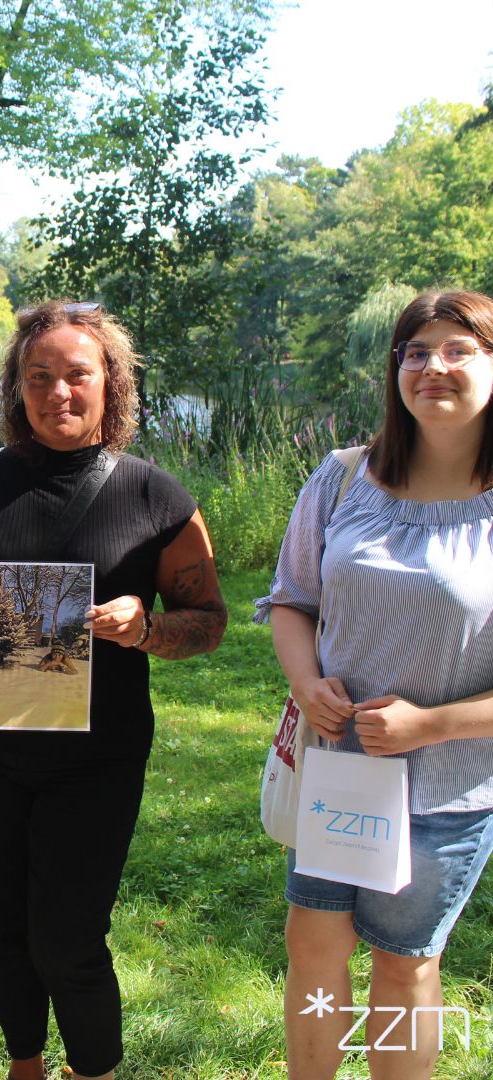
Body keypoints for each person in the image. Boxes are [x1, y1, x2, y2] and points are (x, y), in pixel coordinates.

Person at [0, 300, 227, 1080]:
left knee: (69, 942)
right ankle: (26, 1063)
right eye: (37, 377)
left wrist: (146, 626)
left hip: (96, 761)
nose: (57, 394)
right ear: (16, 386)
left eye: (77, 375)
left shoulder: (155, 497)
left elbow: (208, 619)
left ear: (109, 383)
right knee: (2, 933)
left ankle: (93, 1071)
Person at [257, 290, 493, 1079]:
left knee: (402, 967)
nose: (434, 367)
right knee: (314, 948)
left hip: (446, 793)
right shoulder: (344, 477)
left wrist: (433, 725)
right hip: (342, 774)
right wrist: (306, 682)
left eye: (459, 349)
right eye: (416, 351)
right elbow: (291, 600)